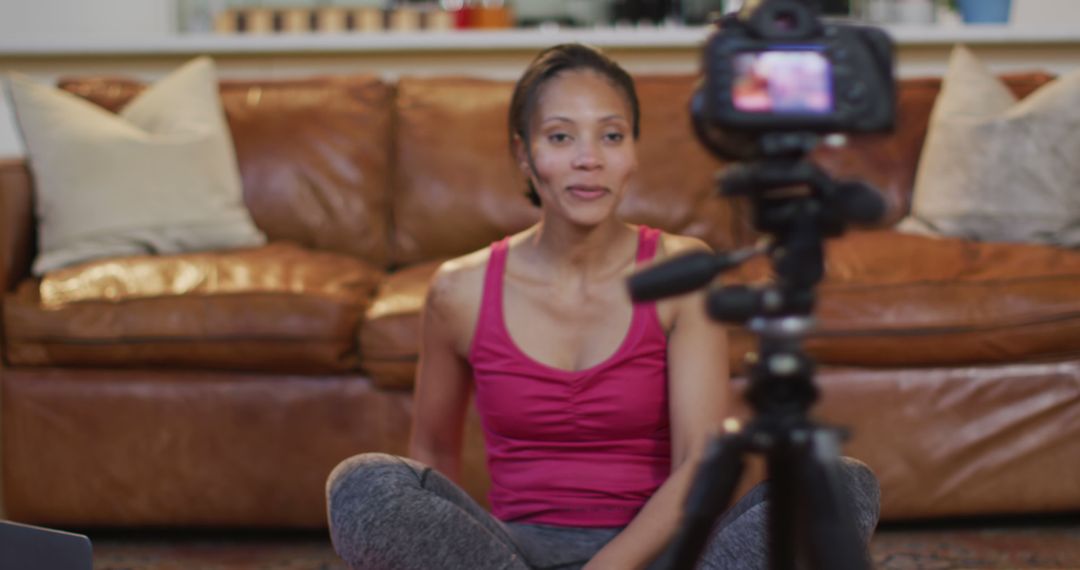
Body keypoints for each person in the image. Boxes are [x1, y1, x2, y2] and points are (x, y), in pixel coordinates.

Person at [326, 43, 880, 570]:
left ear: (633, 152)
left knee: (838, 483)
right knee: (363, 483)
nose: (589, 160)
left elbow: (699, 462)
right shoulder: (458, 290)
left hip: (662, 552)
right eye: (561, 137)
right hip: (512, 556)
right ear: (524, 154)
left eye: (611, 136)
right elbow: (432, 455)